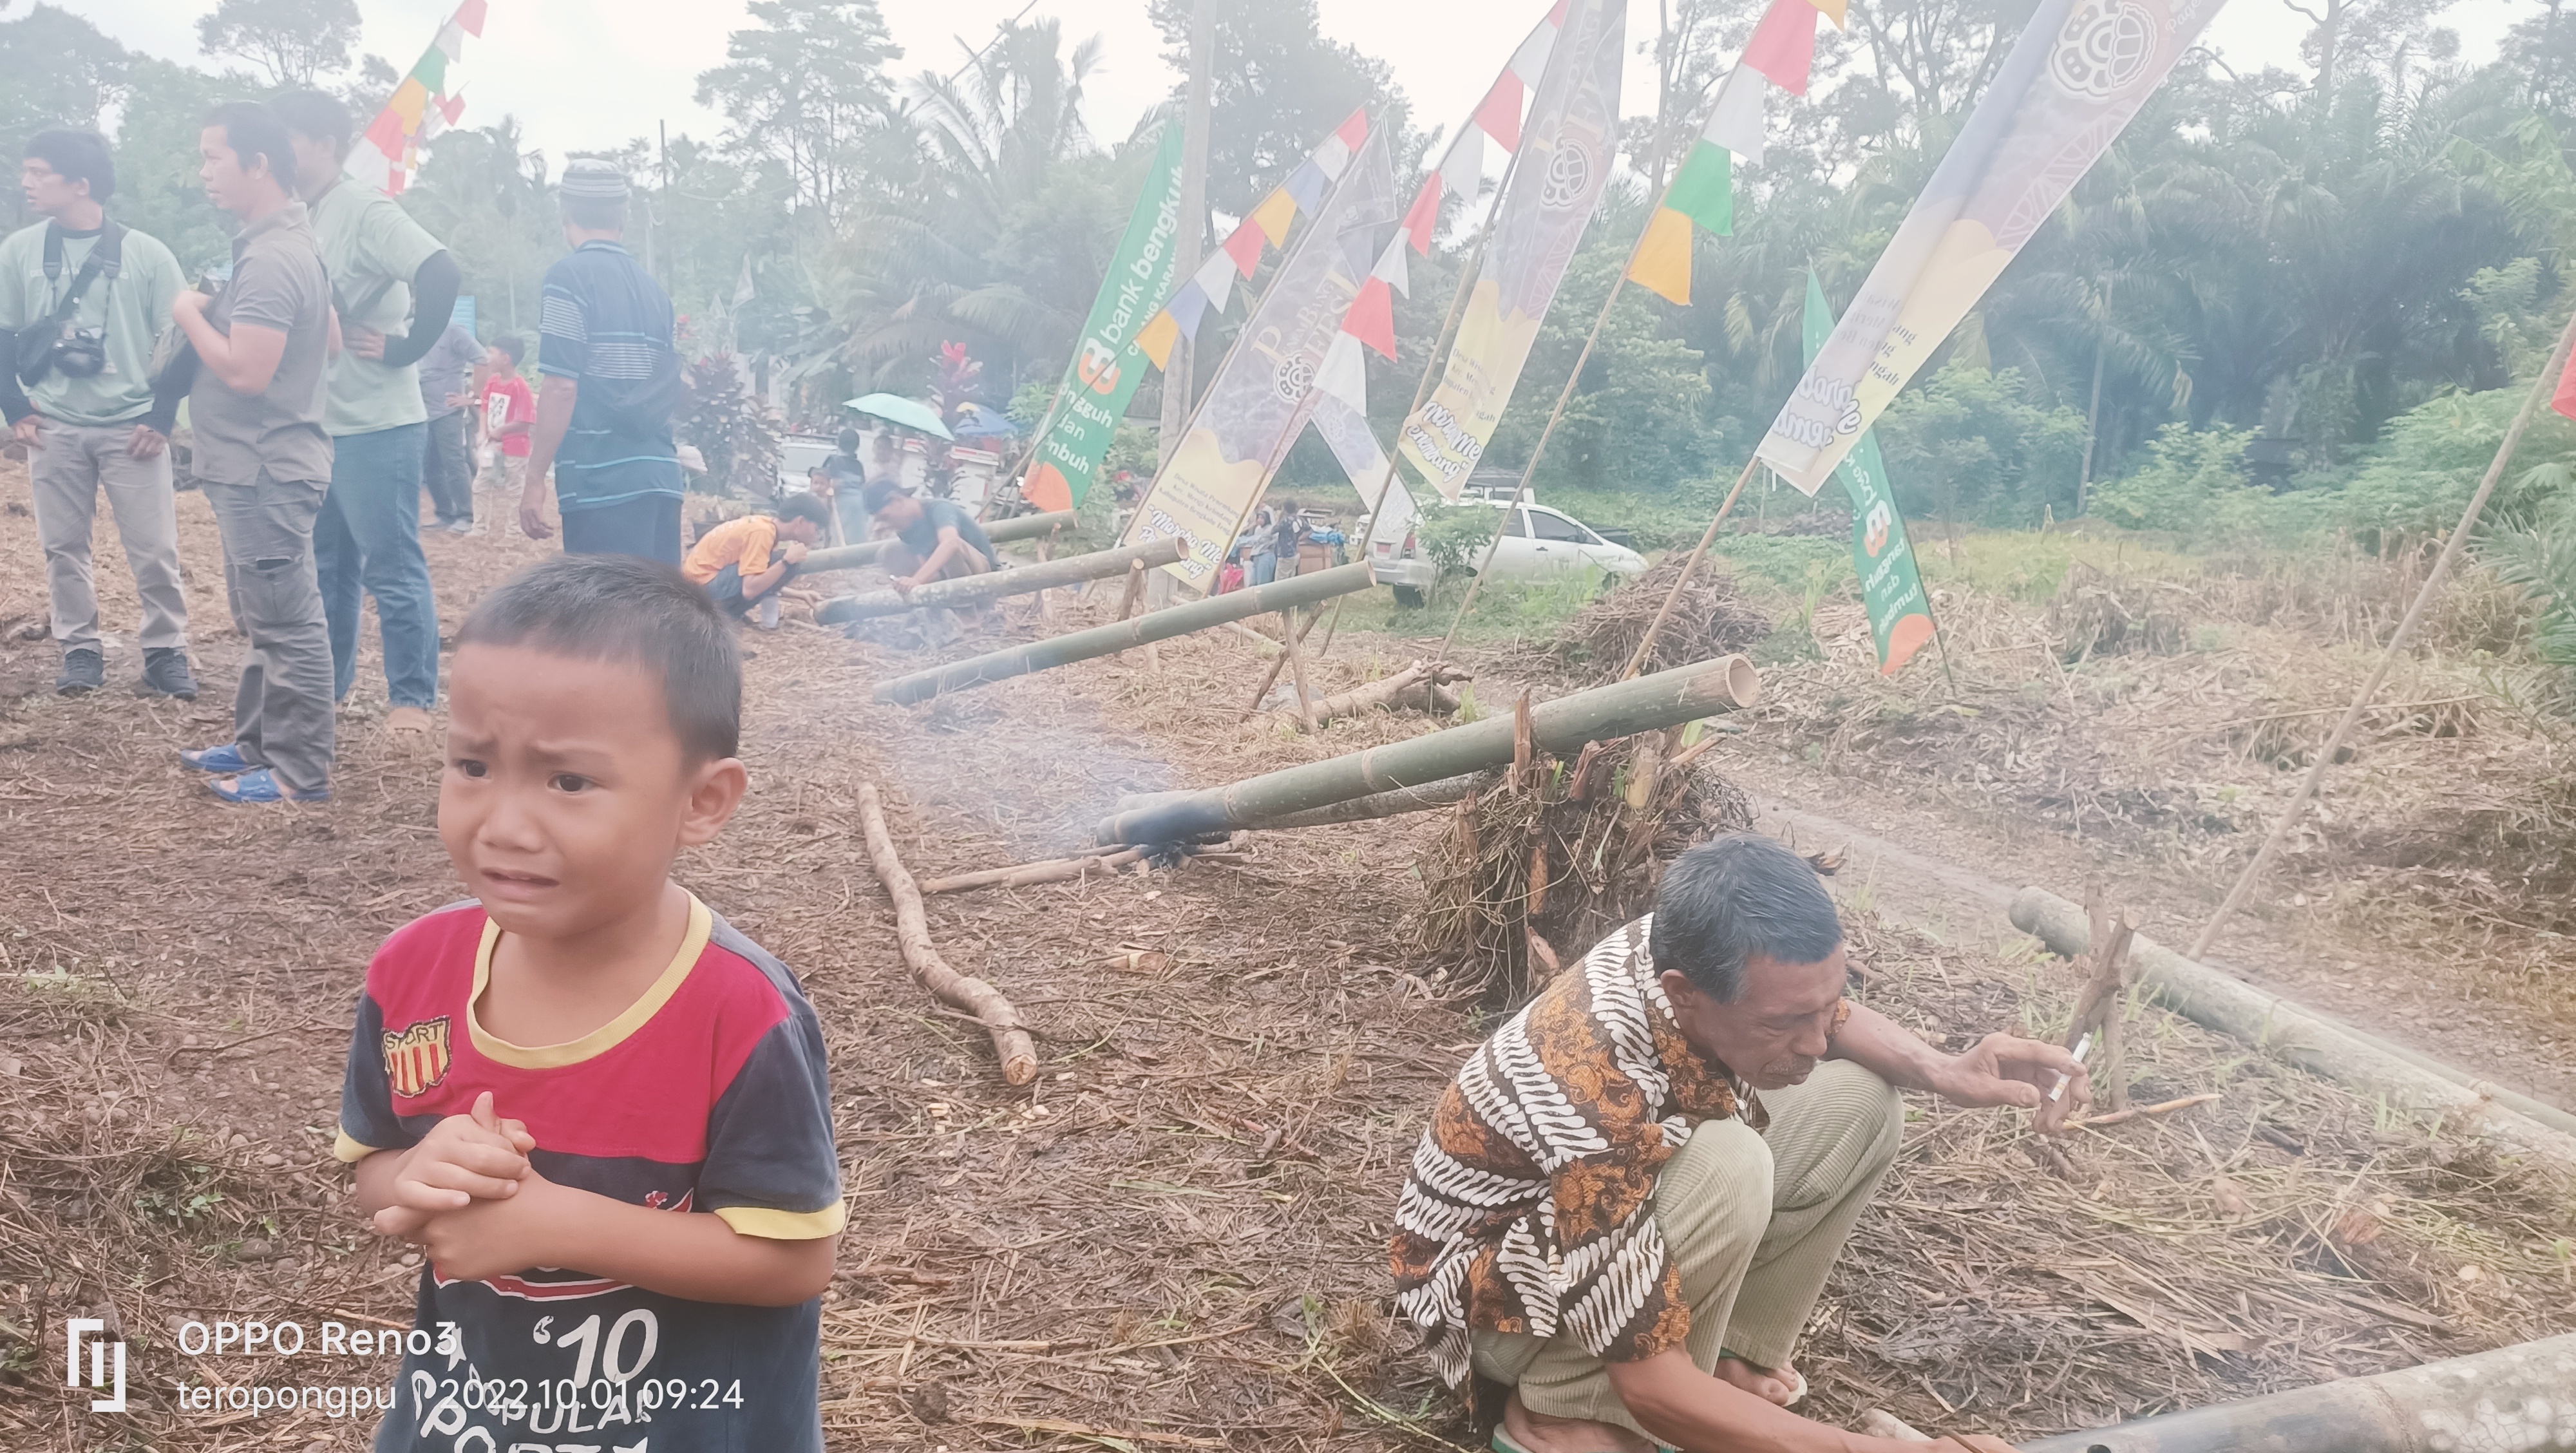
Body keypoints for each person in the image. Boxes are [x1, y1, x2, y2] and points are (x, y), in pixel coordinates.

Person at [335, 554, 841, 1452]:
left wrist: (562, 1224)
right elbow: (375, 1166)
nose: (504, 825)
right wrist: (421, 1178)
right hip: (468, 1419)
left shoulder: (741, 1014)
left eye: (568, 782)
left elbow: (794, 1259)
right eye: (473, 765)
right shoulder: (412, 972)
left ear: (702, 802)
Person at [1391, 835, 2082, 1453]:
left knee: (1861, 1101)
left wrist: (1943, 1069)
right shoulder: (1590, 1093)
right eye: (1785, 1024)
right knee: (1729, 1167)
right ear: (1684, 994)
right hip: (1486, 1298)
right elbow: (1650, 1385)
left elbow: (1823, 1013)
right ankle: (1565, 1410)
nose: (1817, 1043)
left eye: (1824, 1008)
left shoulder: (1699, 942)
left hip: (1594, 1208)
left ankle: (1730, 1355)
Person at [272, 90, 459, 739]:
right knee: (328, 568)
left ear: (326, 144)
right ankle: (327, 691)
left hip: (378, 424)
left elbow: (440, 270)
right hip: (322, 424)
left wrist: (406, 348)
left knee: (392, 566)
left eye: (287, 141)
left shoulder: (363, 207)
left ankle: (411, 699)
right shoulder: (300, 214)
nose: (274, 156)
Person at [172, 102, 338, 804]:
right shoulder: (282, 244)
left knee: (287, 622)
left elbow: (247, 372)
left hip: (265, 468)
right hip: (254, 466)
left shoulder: (272, 258)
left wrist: (188, 314)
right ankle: (256, 745)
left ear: (258, 164)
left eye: (214, 157)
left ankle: (299, 773)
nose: (205, 172)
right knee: (263, 616)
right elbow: (331, 338)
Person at [0, 128, 196, 699]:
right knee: (62, 547)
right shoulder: (19, 251)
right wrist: (15, 407)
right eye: (27, 171)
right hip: (54, 425)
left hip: (132, 425)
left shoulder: (147, 254)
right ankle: (80, 651)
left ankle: (165, 652)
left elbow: (182, 338)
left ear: (81, 184)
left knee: (155, 548)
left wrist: (162, 417)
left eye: (39, 173)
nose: (26, 182)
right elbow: (3, 332)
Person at [519, 160, 685, 563]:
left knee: (605, 605)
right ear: (623, 218)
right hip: (661, 478)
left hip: (603, 482)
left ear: (565, 214)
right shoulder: (656, 292)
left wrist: (535, 478)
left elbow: (561, 387)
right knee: (655, 604)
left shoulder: (569, 278)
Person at [681, 494, 828, 628]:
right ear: (801, 522)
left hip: (697, 588)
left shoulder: (765, 527)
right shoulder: (762, 534)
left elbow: (759, 577)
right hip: (698, 595)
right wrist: (787, 562)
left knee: (776, 563)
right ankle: (722, 619)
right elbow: (750, 590)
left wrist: (800, 595)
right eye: (816, 529)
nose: (817, 536)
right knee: (783, 562)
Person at [860, 475, 998, 594]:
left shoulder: (939, 508)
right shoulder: (907, 530)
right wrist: (907, 583)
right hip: (949, 575)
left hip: (984, 575)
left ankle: (967, 611)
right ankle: (925, 604)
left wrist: (917, 580)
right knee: (889, 551)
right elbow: (924, 564)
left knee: (950, 548)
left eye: (886, 517)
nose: (888, 524)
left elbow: (951, 542)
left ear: (898, 500)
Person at [416, 314, 485, 533]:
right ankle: (445, 514)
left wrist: (473, 397)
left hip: (447, 410)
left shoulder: (453, 330)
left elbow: (482, 359)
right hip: (422, 410)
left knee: (453, 462)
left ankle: (466, 515)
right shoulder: (414, 328)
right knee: (431, 466)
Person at [470, 334, 533, 534]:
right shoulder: (492, 382)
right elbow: (484, 408)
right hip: (492, 444)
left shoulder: (520, 387)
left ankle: (514, 531)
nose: (488, 358)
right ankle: (480, 528)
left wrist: (500, 431)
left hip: (515, 446)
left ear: (505, 358)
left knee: (514, 489)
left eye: (492, 353)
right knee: (481, 485)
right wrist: (483, 432)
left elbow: (525, 421)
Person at [1241, 505, 1280, 587]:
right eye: (1258, 518)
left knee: (1262, 583)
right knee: (1252, 583)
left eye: (1262, 518)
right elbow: (1255, 540)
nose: (1259, 520)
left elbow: (1277, 538)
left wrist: (1269, 545)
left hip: (1266, 555)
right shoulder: (1258, 529)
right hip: (1256, 556)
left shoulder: (1271, 529)